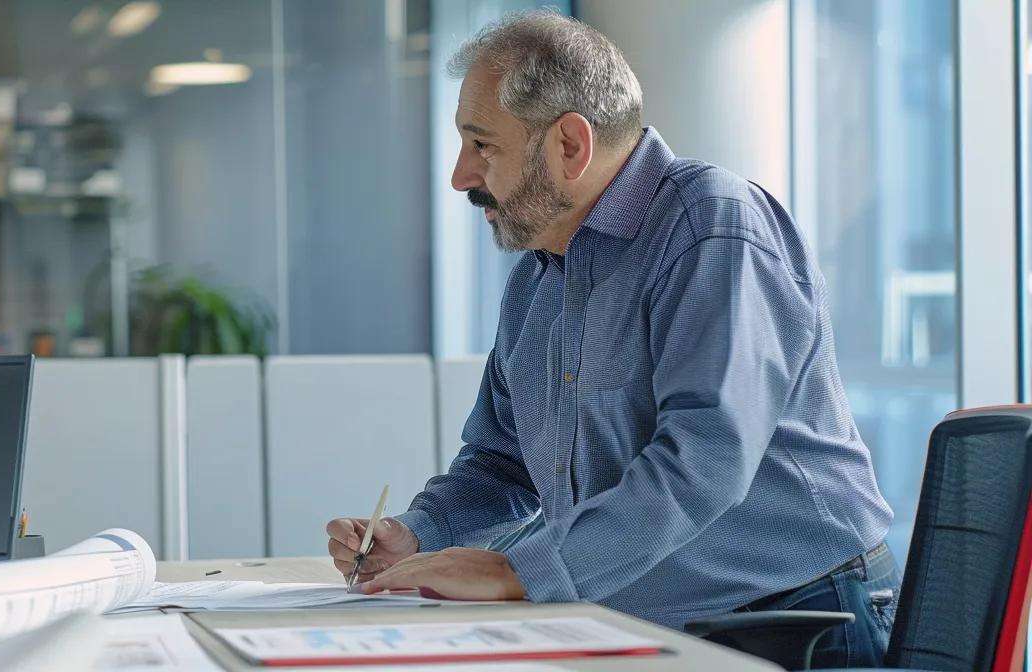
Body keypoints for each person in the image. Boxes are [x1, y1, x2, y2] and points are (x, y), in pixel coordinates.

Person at [324, 11, 896, 668]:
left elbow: (705, 462)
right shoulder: (538, 277)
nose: (461, 176)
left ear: (570, 144)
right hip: (646, 622)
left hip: (798, 623)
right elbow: (501, 464)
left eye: (483, 146)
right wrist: (417, 533)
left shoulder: (711, 228)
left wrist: (518, 570)